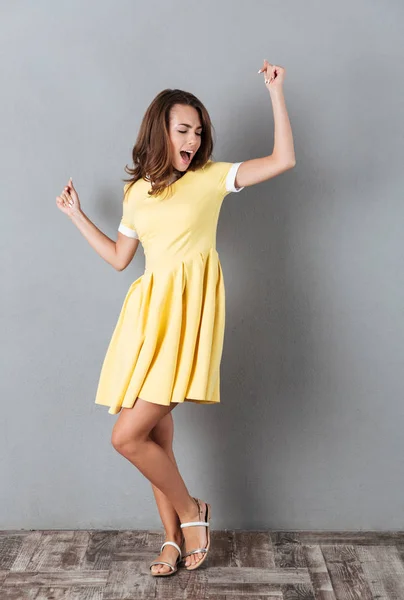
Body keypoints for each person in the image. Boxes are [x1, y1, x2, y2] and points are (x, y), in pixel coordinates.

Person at [55, 59, 295, 576]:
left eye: (198, 131)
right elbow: (121, 259)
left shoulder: (210, 178)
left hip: (187, 320)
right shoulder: (136, 192)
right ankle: (171, 542)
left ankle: (192, 513)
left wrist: (276, 93)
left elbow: (282, 159)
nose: (193, 139)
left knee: (127, 437)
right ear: (159, 132)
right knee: (155, 439)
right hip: (147, 320)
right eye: (183, 129)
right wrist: (77, 217)